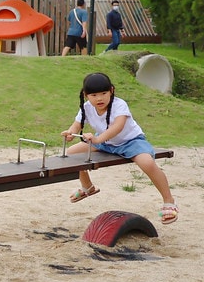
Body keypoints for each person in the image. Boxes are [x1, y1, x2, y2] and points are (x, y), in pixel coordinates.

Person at [61, 72, 177, 224]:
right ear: (86, 95)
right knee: (71, 154)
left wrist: (97, 139)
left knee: (147, 163)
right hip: (104, 141)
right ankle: (87, 187)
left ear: (112, 90)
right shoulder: (87, 107)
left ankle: (169, 201)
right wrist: (71, 133)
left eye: (104, 93)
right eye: (94, 95)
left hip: (130, 141)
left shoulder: (119, 105)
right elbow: (78, 124)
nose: (99, 98)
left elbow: (117, 127)